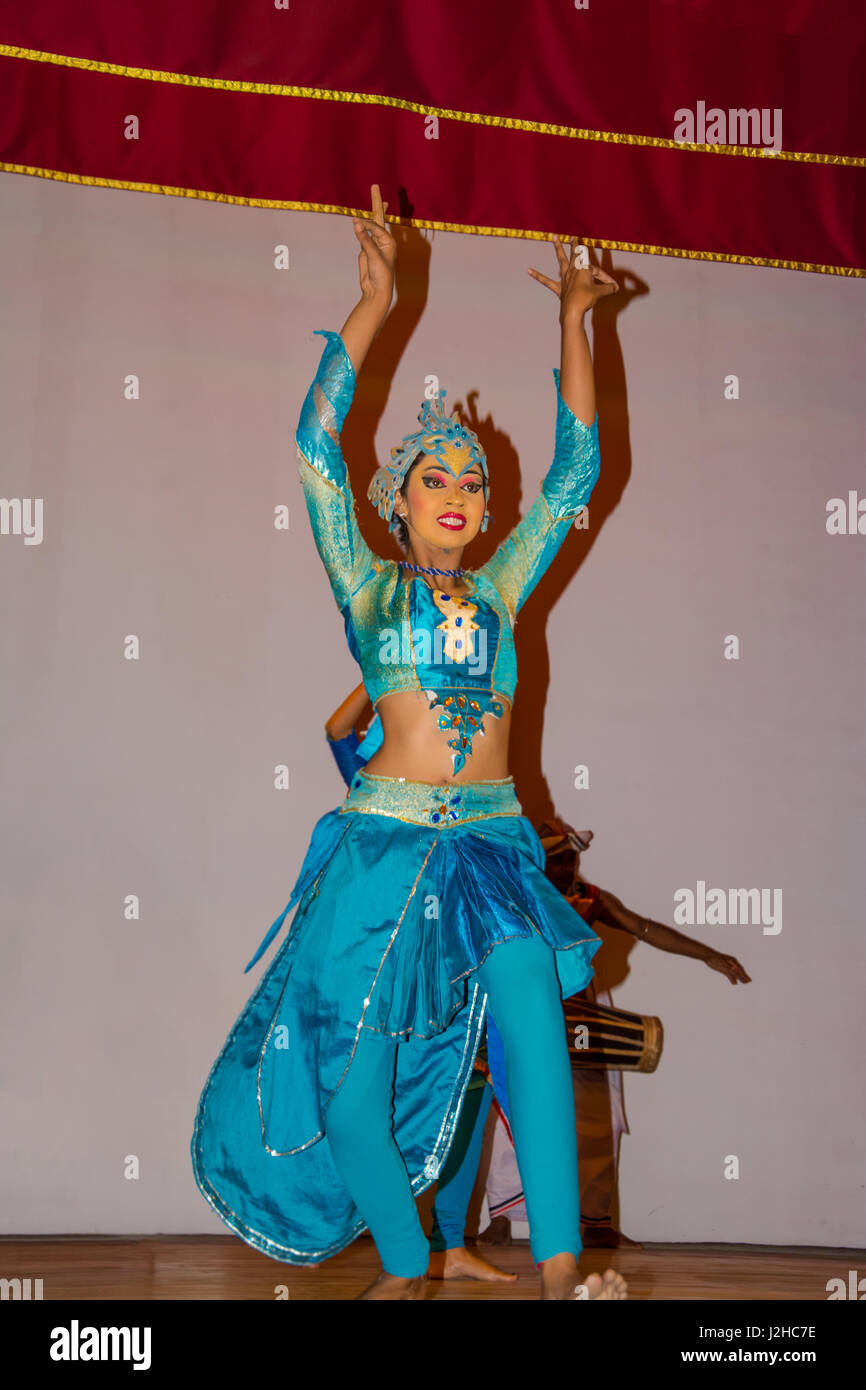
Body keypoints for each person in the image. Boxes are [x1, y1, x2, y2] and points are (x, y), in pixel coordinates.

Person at [190, 184, 626, 1301]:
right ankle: (398, 1261)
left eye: (472, 482)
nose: (458, 490)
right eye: (435, 475)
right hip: (381, 845)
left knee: (531, 1013)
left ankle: (563, 1267)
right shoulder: (368, 586)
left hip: (489, 845)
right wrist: (373, 301)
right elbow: (313, 450)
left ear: (483, 513)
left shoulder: (503, 581)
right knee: (350, 1088)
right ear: (399, 500)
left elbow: (574, 474)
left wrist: (575, 321)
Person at [483, 820, 751, 1249]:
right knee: (516, 1115)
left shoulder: (588, 900)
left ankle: (597, 1222)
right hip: (531, 1011)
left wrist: (709, 956)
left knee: (597, 1119)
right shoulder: (515, 897)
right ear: (537, 859)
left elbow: (643, 928)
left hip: (585, 1014)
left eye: (574, 858)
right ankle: (502, 1217)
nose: (571, 866)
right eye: (561, 858)